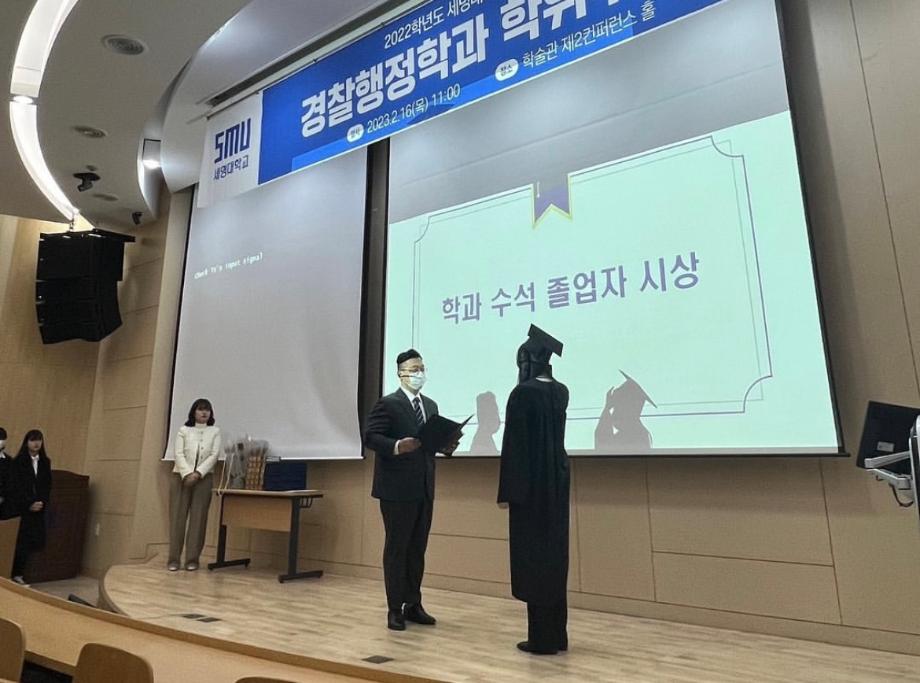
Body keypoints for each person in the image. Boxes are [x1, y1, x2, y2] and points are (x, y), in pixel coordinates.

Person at [364, 349, 455, 631]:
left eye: (422, 368)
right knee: (397, 548)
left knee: (417, 548)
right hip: (396, 489)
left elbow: (429, 443)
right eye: (414, 369)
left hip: (424, 487)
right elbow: (371, 437)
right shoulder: (387, 404)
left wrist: (446, 445)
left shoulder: (431, 405)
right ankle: (394, 608)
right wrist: (396, 446)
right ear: (400, 373)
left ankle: (413, 604)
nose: (419, 373)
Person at [498, 325, 570, 655]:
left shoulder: (523, 394)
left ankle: (541, 639)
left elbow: (514, 447)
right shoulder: (561, 391)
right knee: (554, 558)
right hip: (557, 485)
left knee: (534, 560)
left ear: (526, 360)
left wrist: (507, 493)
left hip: (530, 490)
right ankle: (558, 635)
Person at [169, 398, 220, 572]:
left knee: (198, 519)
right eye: (200, 409)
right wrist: (187, 474)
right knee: (178, 518)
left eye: (207, 410)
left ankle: (192, 559)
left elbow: (214, 455)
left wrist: (198, 473)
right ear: (193, 412)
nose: (204, 412)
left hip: (203, 478)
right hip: (181, 477)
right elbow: (178, 453)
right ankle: (173, 559)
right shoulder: (184, 430)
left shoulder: (214, 431)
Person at [10, 429, 52, 585]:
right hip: (21, 509)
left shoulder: (45, 462)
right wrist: (29, 504)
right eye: (33, 440)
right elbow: (16, 488)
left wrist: (41, 503)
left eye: (39, 440)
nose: (36, 443)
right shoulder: (18, 462)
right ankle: (15, 573)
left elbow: (47, 485)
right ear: (26, 442)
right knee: (19, 542)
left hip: (39, 508)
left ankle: (23, 573)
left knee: (33, 542)